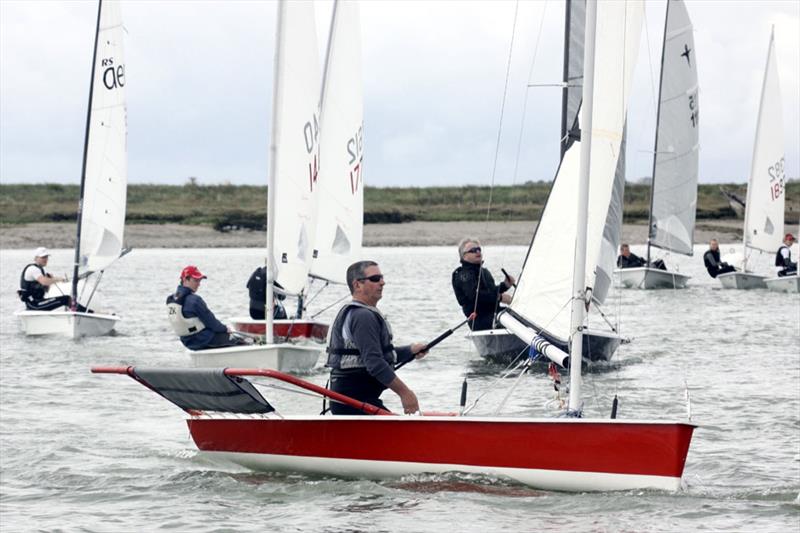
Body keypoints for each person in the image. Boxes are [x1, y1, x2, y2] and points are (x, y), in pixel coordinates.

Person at [325, 260, 428, 415]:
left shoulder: (362, 313)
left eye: (381, 278)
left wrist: (410, 350)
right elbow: (374, 363)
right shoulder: (363, 316)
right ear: (357, 285)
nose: (382, 283)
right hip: (353, 401)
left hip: (356, 398)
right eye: (375, 279)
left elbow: (373, 355)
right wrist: (405, 393)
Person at [166, 265, 247, 350]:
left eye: (199, 280)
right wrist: (225, 329)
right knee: (239, 340)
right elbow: (212, 323)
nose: (199, 284)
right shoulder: (195, 300)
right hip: (203, 340)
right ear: (185, 279)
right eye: (196, 280)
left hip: (187, 342)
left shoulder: (170, 300)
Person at [451, 238, 514, 331]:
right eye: (473, 250)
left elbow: (490, 292)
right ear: (464, 256)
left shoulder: (484, 272)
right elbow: (475, 297)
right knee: (512, 320)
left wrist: (504, 286)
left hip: (495, 313)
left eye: (479, 249)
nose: (477, 252)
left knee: (522, 315)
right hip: (479, 319)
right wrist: (499, 297)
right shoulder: (463, 275)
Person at [17, 247, 89, 312]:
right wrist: (58, 279)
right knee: (66, 299)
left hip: (39, 302)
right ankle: (86, 312)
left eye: (46, 257)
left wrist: (51, 280)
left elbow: (46, 289)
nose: (45, 259)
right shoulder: (32, 269)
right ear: (35, 258)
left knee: (66, 299)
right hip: (33, 305)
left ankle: (79, 312)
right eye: (43, 257)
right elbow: (44, 282)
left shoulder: (42, 270)